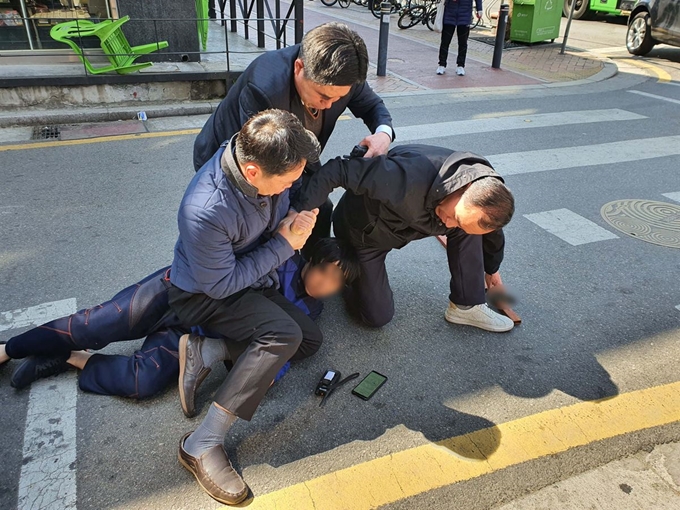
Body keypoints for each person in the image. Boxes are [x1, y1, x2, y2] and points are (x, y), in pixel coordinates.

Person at [1, 110, 322, 506]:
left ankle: (192, 353)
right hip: (198, 294)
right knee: (96, 324)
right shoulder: (205, 207)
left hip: (241, 287)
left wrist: (289, 220)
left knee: (304, 338)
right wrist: (284, 245)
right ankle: (10, 349)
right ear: (253, 171)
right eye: (288, 182)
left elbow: (269, 225)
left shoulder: (264, 164)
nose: (292, 186)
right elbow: (220, 284)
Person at [1, 239, 359, 399]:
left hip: (191, 334)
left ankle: (64, 357)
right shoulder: (279, 260)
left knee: (143, 383)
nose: (324, 285)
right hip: (175, 296)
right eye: (323, 272)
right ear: (310, 260)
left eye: (335, 283)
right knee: (93, 325)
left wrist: (270, 373)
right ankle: (9, 347)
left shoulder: (311, 312)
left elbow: (280, 344)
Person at [193, 22, 395, 246]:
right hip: (238, 159)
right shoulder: (265, 88)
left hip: (296, 157)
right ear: (299, 68)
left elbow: (372, 107)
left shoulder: (344, 76)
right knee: (255, 228)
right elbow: (263, 162)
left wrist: (383, 134)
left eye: (338, 98)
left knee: (318, 209)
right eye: (322, 96)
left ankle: (308, 272)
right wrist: (289, 222)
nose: (328, 105)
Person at [293, 145, 516, 332]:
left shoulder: (485, 188)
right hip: (364, 234)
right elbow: (338, 170)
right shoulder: (405, 178)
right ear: (464, 187)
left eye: (457, 221)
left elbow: (491, 229)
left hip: (407, 225)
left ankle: (466, 305)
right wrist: (297, 216)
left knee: (466, 228)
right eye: (455, 216)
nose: (447, 226)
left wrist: (491, 268)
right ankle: (347, 274)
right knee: (377, 317)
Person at [436, 0, 483, 76]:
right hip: (449, 13)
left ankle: (460, 65)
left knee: (463, 42)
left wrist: (479, 9)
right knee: (445, 41)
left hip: (465, 14)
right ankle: (442, 64)